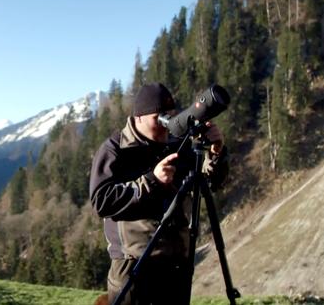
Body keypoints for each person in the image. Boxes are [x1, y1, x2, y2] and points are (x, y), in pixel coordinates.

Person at [89, 83, 228, 304]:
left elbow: (212, 183)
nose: (166, 125)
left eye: (170, 117)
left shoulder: (175, 144)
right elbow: (102, 201)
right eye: (160, 118)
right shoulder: (115, 149)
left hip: (175, 267)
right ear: (139, 117)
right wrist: (151, 181)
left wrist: (215, 154)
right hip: (134, 267)